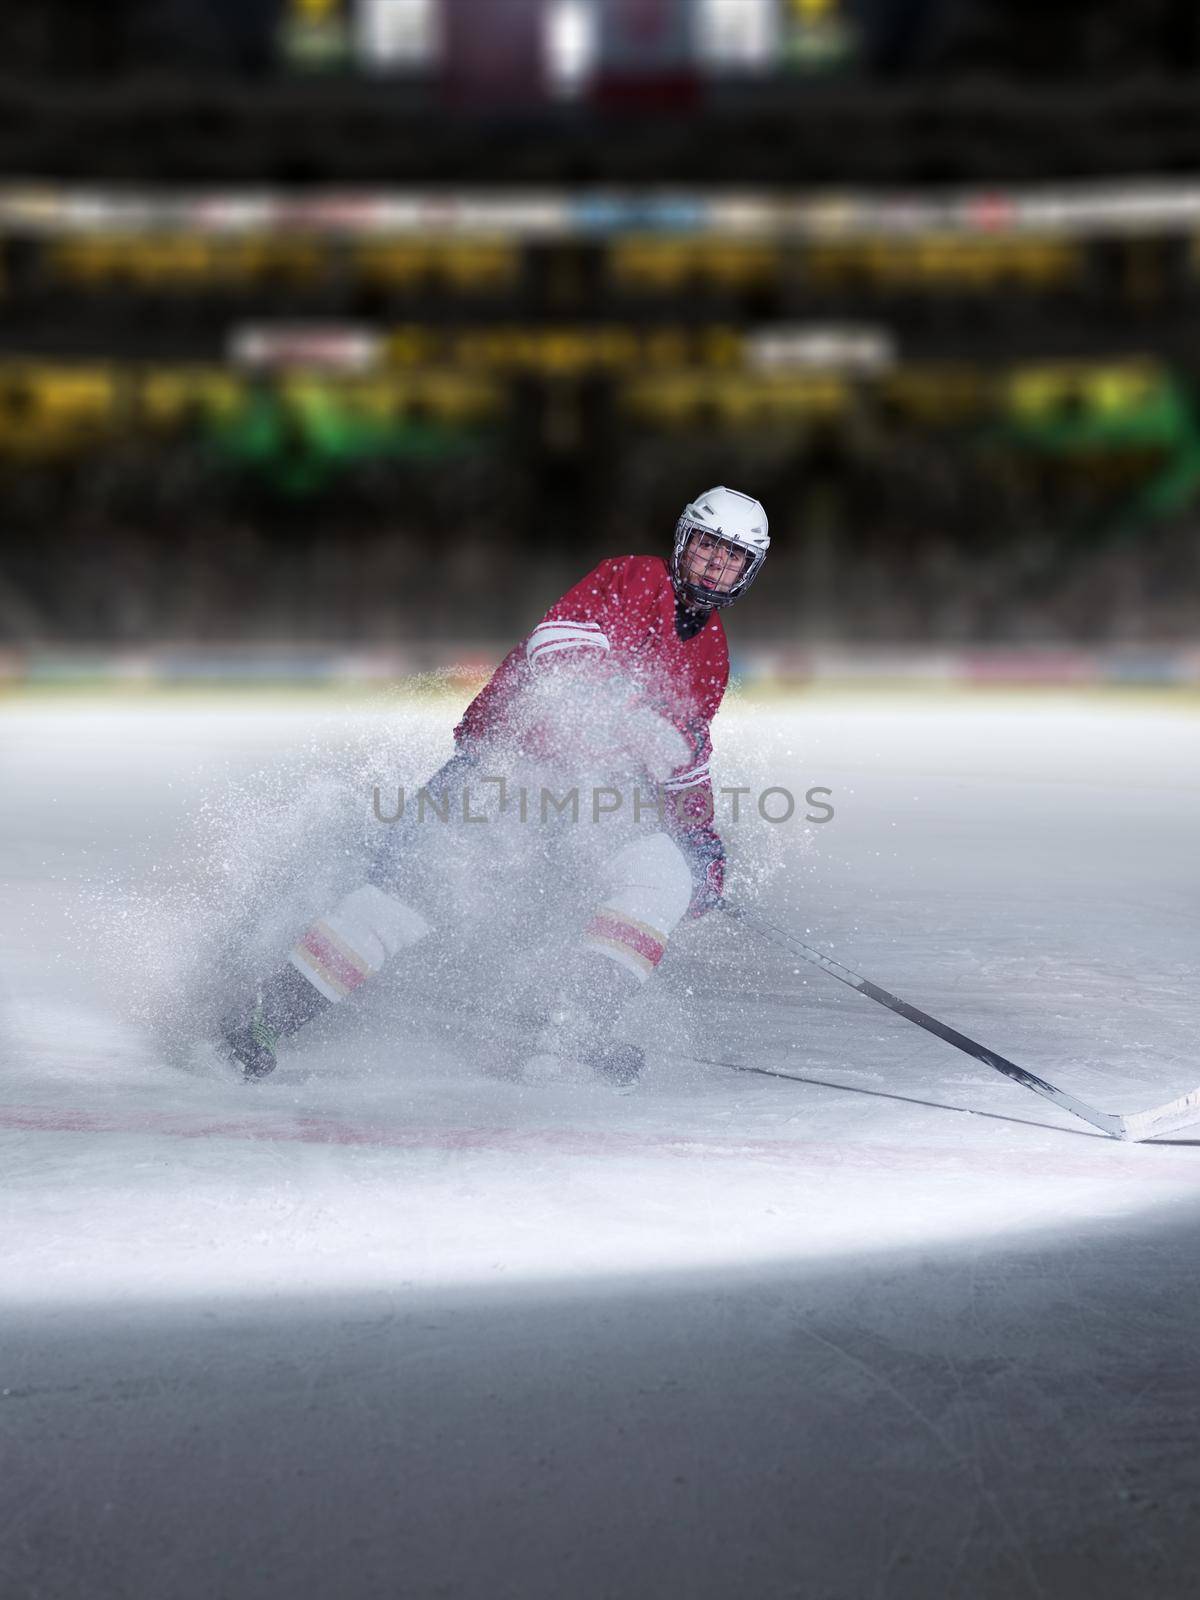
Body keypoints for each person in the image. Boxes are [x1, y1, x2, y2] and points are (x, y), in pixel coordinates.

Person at [212, 486, 769, 1085]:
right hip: (505, 767)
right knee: (409, 897)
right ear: (685, 541)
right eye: (709, 545)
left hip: (591, 802)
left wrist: (699, 836)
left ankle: (570, 1036)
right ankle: (258, 1022)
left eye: (733, 557)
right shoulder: (630, 578)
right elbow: (553, 650)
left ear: (747, 572)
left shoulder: (712, 652)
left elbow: (685, 759)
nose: (716, 563)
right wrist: (628, 710)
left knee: (663, 874)